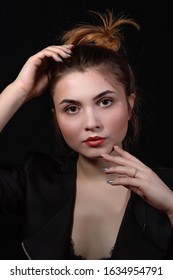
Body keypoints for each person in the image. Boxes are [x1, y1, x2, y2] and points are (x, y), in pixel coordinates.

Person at [0, 10, 173, 260]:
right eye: (71, 108)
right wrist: (19, 90)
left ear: (130, 104)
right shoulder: (33, 181)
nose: (91, 123)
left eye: (105, 102)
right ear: (56, 117)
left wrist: (170, 206)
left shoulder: (168, 188)